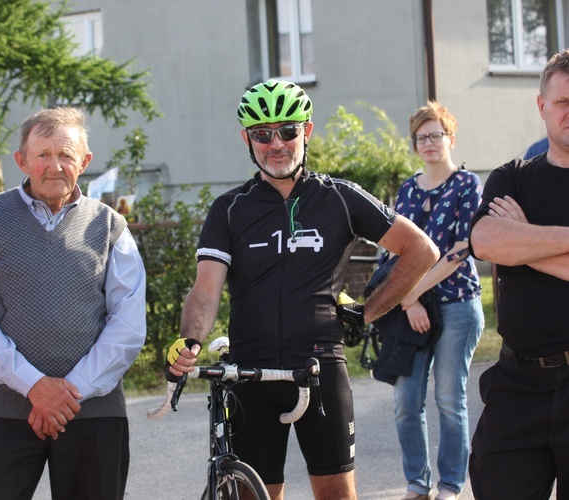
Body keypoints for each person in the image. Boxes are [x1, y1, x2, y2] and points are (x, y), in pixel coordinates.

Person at [167, 79, 440, 500]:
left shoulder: (340, 198)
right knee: (257, 494)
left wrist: (369, 311)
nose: (276, 143)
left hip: (320, 369)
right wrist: (191, 340)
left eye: (287, 131)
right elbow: (206, 290)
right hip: (250, 373)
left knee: (335, 492)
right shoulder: (230, 209)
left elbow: (420, 250)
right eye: (262, 134)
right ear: (247, 139)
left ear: (306, 132)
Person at [0, 106, 146, 500]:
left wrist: (67, 393)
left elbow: (128, 324)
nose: (55, 166)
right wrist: (34, 386)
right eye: (42, 155)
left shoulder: (110, 226)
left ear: (84, 161)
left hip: (93, 411)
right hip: (3, 409)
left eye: (66, 155)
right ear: (22, 160)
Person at [468, 49, 569, 499]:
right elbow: (487, 242)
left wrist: (524, 241)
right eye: (563, 102)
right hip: (517, 384)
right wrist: (511, 241)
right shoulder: (512, 177)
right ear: (542, 106)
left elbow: (507, 245)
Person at [390, 102, 484, 500]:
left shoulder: (467, 185)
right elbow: (394, 252)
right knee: (406, 402)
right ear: (414, 145)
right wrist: (407, 303)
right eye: (421, 137)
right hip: (412, 309)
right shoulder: (406, 190)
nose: (428, 143)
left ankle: (449, 484)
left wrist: (414, 291)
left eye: (436, 135)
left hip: (458, 304)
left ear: (450, 139)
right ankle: (417, 481)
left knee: (449, 399)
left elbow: (462, 248)